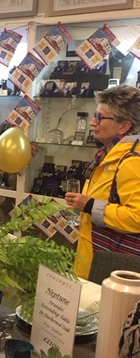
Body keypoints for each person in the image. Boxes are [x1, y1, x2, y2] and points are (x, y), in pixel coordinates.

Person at [65, 85, 140, 279]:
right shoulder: (108, 155)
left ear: (123, 126)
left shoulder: (131, 161)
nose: (92, 123)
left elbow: (137, 217)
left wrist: (89, 205)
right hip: (96, 258)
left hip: (113, 270)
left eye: (99, 117)